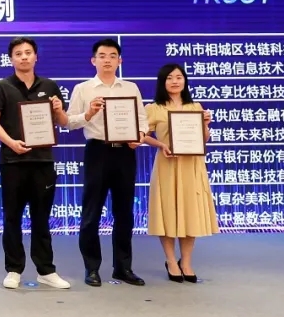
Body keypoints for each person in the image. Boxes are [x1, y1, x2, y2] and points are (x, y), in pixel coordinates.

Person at [0, 37, 72, 290]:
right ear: (11, 59)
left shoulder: (49, 85)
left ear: (36, 57)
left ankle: (46, 270)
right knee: (12, 217)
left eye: (28, 52)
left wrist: (58, 109)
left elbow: (63, 122)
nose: (23, 57)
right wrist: (11, 143)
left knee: (41, 218)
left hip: (42, 161)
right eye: (18, 53)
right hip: (12, 161)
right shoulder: (2, 86)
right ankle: (14, 269)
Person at [67, 38, 149, 287]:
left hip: (125, 152)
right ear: (93, 60)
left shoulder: (130, 88)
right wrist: (89, 113)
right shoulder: (83, 89)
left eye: (113, 56)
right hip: (98, 151)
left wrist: (140, 136)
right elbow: (69, 122)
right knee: (91, 212)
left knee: (124, 212)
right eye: (102, 56)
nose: (107, 60)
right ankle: (92, 268)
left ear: (119, 61)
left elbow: (142, 120)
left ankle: (123, 268)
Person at [141, 64, 217, 283]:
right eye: (170, 78)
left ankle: (187, 262)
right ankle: (171, 261)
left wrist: (205, 124)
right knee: (167, 212)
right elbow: (142, 134)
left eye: (179, 77)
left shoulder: (195, 107)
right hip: (167, 164)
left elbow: (204, 139)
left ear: (185, 80)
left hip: (191, 165)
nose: (175, 81)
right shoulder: (153, 108)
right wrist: (161, 144)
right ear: (162, 82)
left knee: (190, 212)